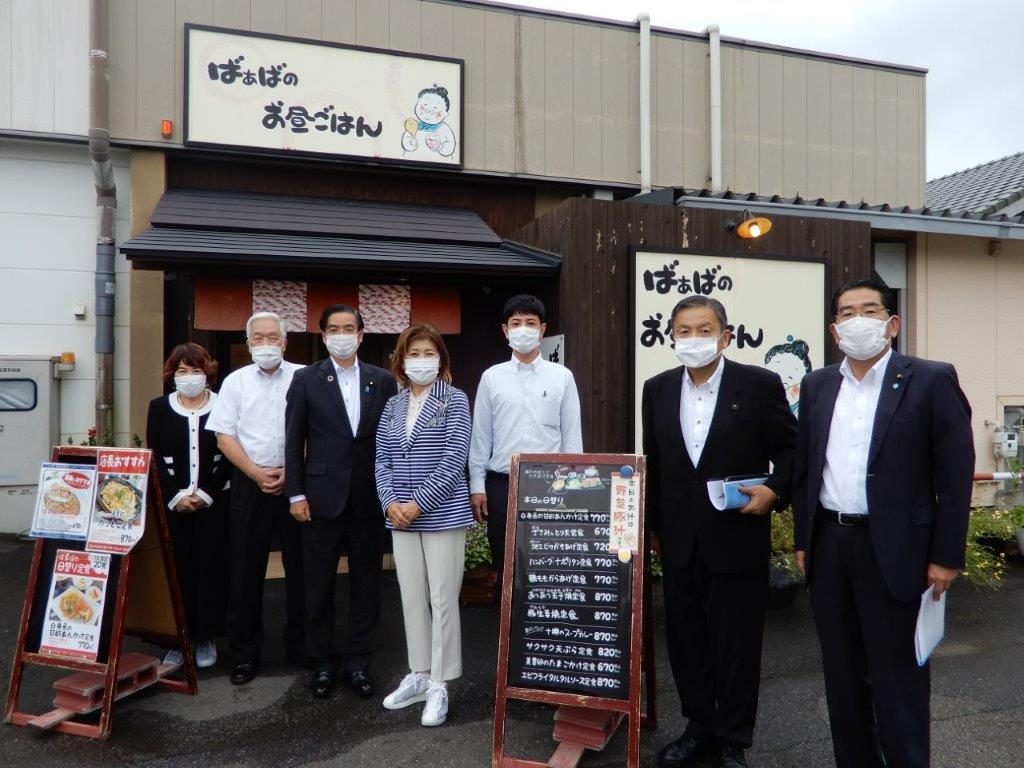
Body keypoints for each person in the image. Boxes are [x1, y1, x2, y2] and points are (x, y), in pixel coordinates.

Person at [792, 279, 974, 768]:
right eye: (846, 313)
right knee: (842, 677)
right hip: (831, 542)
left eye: (868, 310)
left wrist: (945, 556)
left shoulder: (931, 379)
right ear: (834, 330)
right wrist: (802, 538)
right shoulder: (818, 384)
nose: (858, 321)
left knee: (898, 678)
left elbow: (954, 476)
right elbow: (807, 466)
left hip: (897, 548)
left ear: (891, 324)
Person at [642, 296, 797, 768]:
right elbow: (657, 462)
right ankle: (698, 729)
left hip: (736, 536)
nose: (694, 339)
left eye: (703, 329)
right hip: (679, 540)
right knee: (687, 643)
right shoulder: (657, 389)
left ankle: (733, 739)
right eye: (684, 330)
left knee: (736, 645)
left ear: (725, 335)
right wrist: (651, 527)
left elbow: (793, 452)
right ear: (672, 337)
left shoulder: (758, 385)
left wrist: (774, 490)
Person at [285, 304, 397, 700]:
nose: (342, 334)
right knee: (318, 585)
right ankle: (322, 663)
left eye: (349, 328)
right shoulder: (305, 379)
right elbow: (293, 438)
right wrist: (295, 493)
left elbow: (392, 438)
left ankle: (358, 662)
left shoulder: (382, 380)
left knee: (367, 585)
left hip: (369, 497)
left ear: (362, 335)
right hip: (319, 500)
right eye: (334, 328)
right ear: (324, 335)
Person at [375, 324, 473, 727]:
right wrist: (390, 502)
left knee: (443, 599)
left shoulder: (455, 400)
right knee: (412, 595)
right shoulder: (393, 406)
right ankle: (418, 674)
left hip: (442, 515)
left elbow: (454, 460)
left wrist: (418, 504)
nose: (420, 360)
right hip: (400, 517)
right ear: (401, 360)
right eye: (413, 354)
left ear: (441, 359)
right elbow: (381, 458)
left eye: (428, 353)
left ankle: (440, 684)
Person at [205, 311, 306, 686]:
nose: (266, 344)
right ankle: (245, 653)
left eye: (272, 337)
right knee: (245, 571)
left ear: (284, 341)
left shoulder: (304, 376)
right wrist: (253, 471)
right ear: (248, 345)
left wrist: (293, 471)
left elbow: (317, 429)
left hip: (296, 482)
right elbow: (223, 436)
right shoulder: (235, 382)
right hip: (249, 483)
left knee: (302, 569)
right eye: (258, 338)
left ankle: (301, 645)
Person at [468, 295, 582, 585]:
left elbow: (571, 436)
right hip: (501, 484)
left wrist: (574, 487)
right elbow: (481, 436)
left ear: (542, 330)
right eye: (516, 323)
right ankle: (506, 629)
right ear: (505, 331)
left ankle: (543, 626)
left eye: (530, 323)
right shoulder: (492, 377)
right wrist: (477, 486)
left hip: (551, 483)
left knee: (547, 564)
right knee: (505, 563)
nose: (523, 329)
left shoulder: (562, 377)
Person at [146, 343, 232, 670]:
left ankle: (206, 637)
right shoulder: (159, 407)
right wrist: (175, 496)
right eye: (182, 371)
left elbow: (230, 453)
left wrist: (205, 494)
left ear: (208, 372)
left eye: (196, 370)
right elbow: (153, 457)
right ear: (172, 375)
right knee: (176, 572)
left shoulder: (223, 405)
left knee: (211, 569)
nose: (190, 377)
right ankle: (177, 641)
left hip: (214, 504)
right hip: (173, 506)